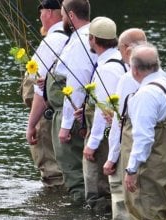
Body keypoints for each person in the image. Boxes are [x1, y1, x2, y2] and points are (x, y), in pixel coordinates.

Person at [122, 43, 166, 220]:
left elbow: (144, 138)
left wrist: (131, 170)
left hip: (151, 167)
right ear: (157, 65)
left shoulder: (146, 94)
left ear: (134, 69)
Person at [45, 0, 97, 204]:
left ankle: (80, 218)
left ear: (72, 16)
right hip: (85, 114)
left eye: (64, 15)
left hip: (74, 116)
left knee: (74, 173)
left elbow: (75, 86)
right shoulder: (92, 37)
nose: (62, 19)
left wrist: (66, 126)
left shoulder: (79, 42)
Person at [81, 16, 126, 213]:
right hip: (116, 134)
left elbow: (102, 111)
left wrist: (92, 144)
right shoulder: (121, 62)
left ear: (93, 39)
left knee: (97, 191)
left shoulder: (106, 69)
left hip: (105, 138)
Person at [103, 28, 147, 220]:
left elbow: (119, 124)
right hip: (152, 152)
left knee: (122, 205)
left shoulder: (129, 78)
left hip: (130, 151)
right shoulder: (161, 75)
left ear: (128, 50)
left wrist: (111, 158)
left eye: (120, 50)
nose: (120, 56)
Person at [25, 0, 67, 188]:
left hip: (48, 114)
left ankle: (53, 211)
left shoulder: (52, 40)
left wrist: (31, 124)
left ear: (49, 12)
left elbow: (39, 88)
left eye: (41, 12)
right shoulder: (73, 37)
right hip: (66, 114)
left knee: (51, 170)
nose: (39, 17)